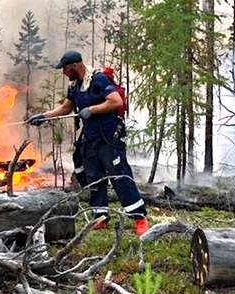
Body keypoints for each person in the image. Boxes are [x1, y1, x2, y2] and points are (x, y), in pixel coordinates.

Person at [27, 50, 149, 236]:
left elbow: (115, 101)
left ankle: (139, 217)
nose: (63, 72)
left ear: (75, 66)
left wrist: (92, 109)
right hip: (90, 137)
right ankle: (100, 216)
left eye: (65, 69)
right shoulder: (74, 85)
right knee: (92, 175)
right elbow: (67, 107)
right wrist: (44, 117)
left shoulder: (98, 79)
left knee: (119, 174)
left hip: (109, 136)